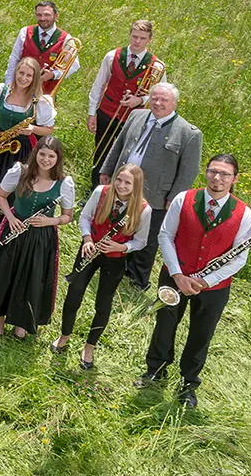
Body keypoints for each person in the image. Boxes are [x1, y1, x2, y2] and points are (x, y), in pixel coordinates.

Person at [138, 153, 251, 409]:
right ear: (206, 172)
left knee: (201, 335)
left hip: (213, 288)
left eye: (225, 174)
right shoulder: (184, 198)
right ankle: (155, 370)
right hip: (175, 275)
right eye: (213, 171)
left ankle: (188, 383)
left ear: (234, 179)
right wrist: (178, 274)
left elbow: (239, 258)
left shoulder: (244, 213)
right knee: (164, 325)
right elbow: (166, 235)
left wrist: (206, 281)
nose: (218, 178)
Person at [95, 83, 202, 290]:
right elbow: (119, 144)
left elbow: (188, 171)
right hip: (123, 187)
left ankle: (138, 279)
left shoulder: (188, 133)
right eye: (154, 98)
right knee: (118, 225)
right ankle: (112, 265)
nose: (158, 103)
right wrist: (106, 170)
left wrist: (175, 197)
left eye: (164, 100)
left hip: (156, 196)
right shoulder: (136, 115)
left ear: (175, 103)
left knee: (148, 238)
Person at [0, 136, 76, 340]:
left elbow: (68, 216)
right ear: (36, 153)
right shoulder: (19, 171)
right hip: (14, 229)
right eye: (42, 154)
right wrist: (11, 218)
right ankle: (0, 319)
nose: (46, 159)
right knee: (6, 273)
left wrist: (50, 221)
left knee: (32, 277)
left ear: (58, 158)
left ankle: (22, 321)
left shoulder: (64, 183)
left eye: (51, 156)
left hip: (41, 238)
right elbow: (0, 195)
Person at [51, 164, 151, 369]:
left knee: (103, 303)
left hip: (115, 257)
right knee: (73, 294)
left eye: (128, 183)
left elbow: (141, 241)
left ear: (136, 185)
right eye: (119, 180)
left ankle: (90, 346)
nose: (121, 186)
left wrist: (121, 246)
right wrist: (87, 239)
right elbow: (85, 217)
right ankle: (64, 335)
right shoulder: (101, 192)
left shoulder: (144, 209)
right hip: (89, 249)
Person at [0, 56, 55, 222]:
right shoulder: (2, 90)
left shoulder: (41, 101)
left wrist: (33, 129)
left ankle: (4, 223)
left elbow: (49, 130)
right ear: (15, 73)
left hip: (22, 149)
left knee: (13, 185)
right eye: (21, 73)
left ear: (35, 78)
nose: (23, 78)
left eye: (28, 75)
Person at [88, 20, 164, 171]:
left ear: (150, 40)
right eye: (134, 36)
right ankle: (96, 188)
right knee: (101, 152)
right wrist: (91, 113)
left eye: (142, 38)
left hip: (134, 118)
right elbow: (98, 85)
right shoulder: (111, 56)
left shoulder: (157, 66)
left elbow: (159, 94)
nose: (137, 41)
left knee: (127, 157)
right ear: (129, 35)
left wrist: (140, 99)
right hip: (107, 112)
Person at [4, 1, 79, 96]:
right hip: (20, 87)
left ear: (56, 16)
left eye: (47, 15)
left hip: (45, 91)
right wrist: (9, 82)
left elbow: (74, 65)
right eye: (39, 15)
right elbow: (14, 58)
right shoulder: (25, 32)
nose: (42, 18)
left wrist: (54, 74)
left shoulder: (66, 39)